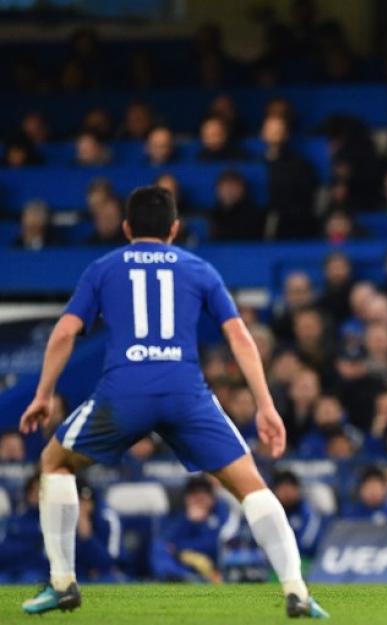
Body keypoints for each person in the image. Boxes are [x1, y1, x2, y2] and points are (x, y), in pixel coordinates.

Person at [18, 186, 328, 618]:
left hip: (123, 391)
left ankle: (64, 582)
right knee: (250, 484)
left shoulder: (103, 268)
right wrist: (265, 404)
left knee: (54, 463)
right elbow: (239, 335)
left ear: (126, 228)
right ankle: (296, 589)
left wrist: (43, 394)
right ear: (175, 229)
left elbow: (67, 332)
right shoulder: (199, 268)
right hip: (186, 392)